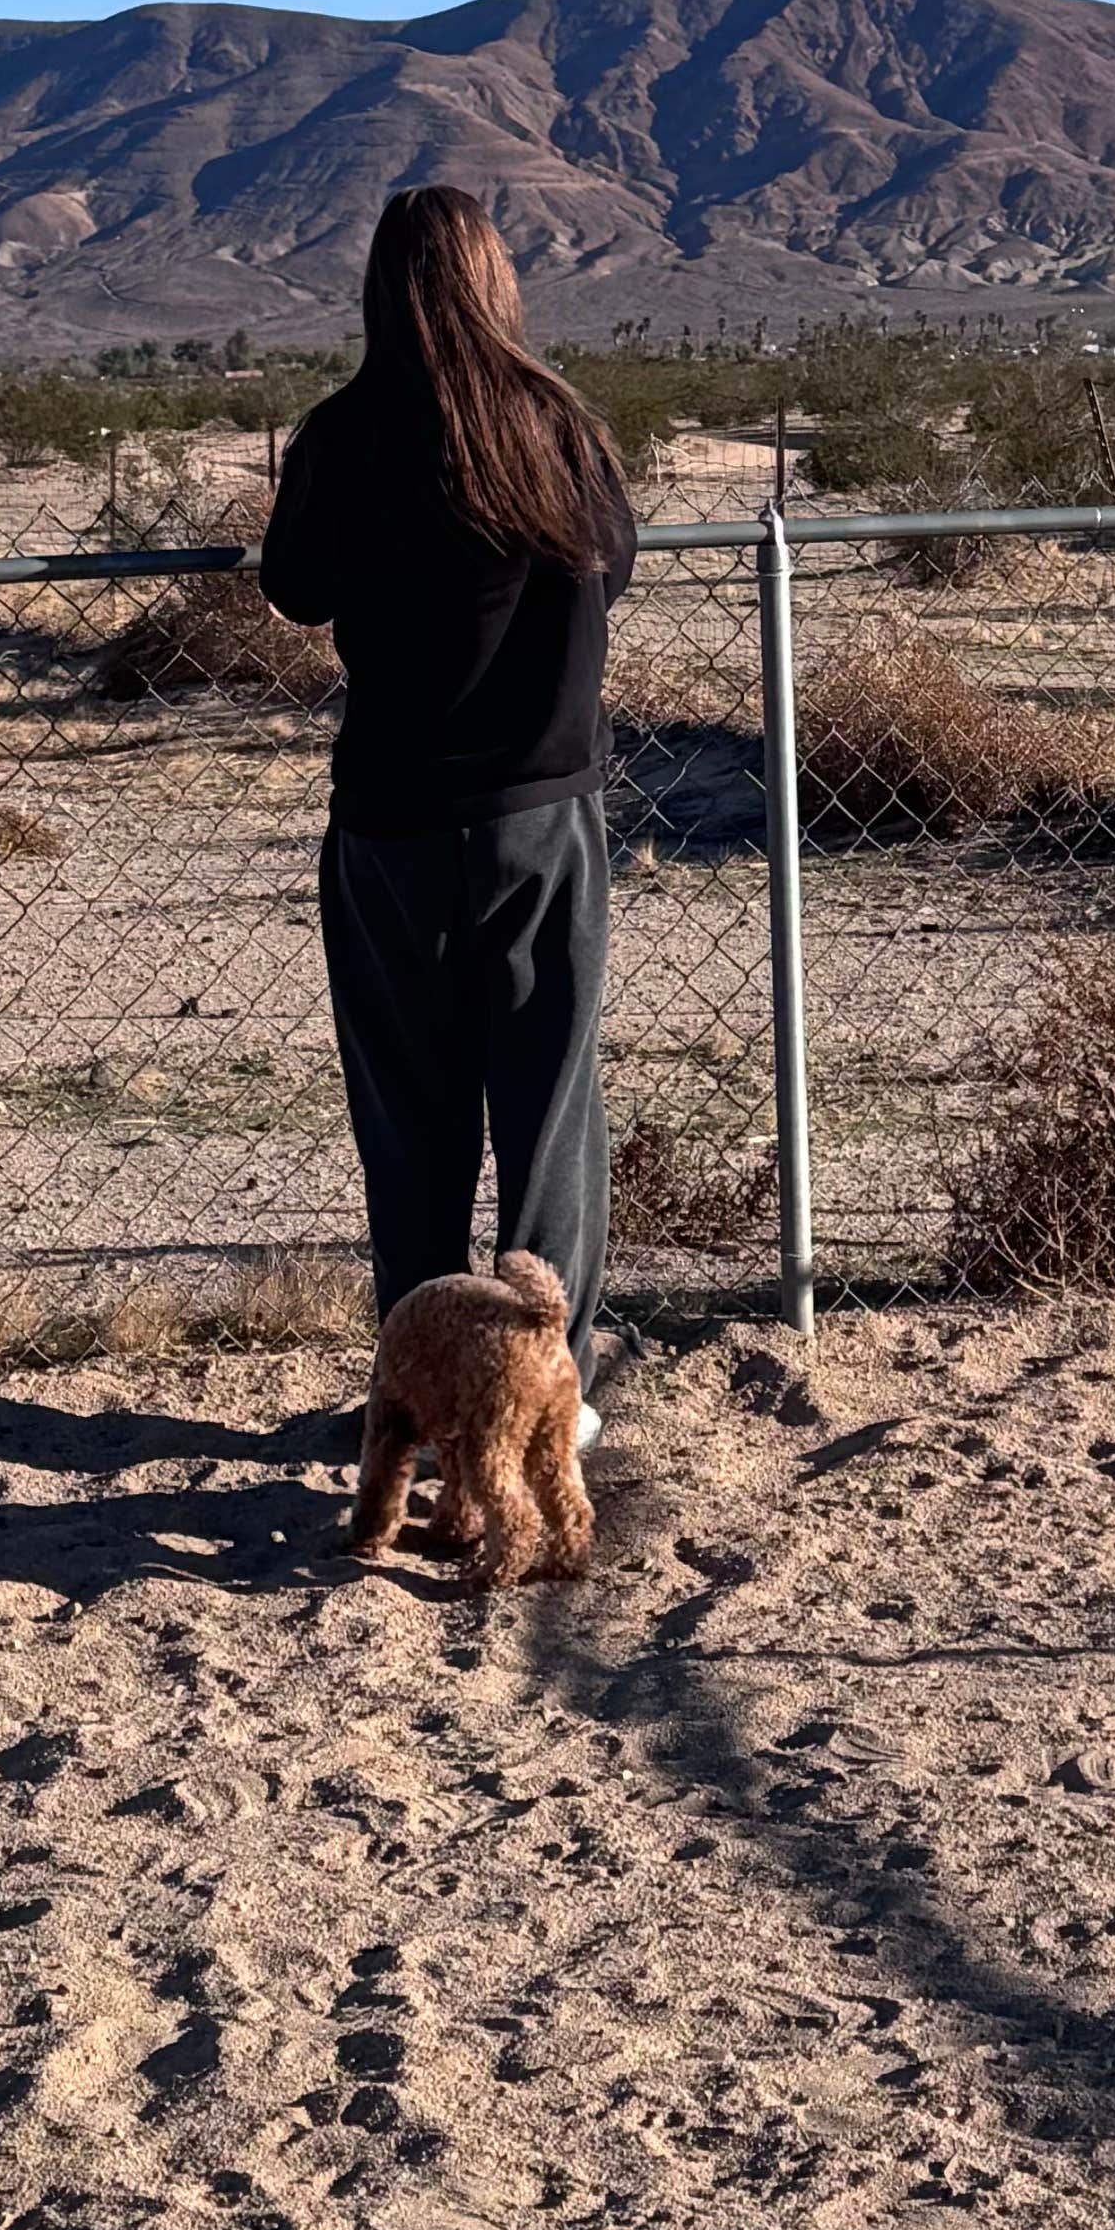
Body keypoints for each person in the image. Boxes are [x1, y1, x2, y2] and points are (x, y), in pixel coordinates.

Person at [257, 189, 640, 1397]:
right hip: (542, 818)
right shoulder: (556, 425)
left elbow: (296, 591)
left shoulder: (343, 434)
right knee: (550, 1115)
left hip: (390, 828)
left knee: (410, 1128)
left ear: (378, 291)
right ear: (497, 282)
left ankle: (420, 1389)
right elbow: (611, 568)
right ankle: (550, 1389)